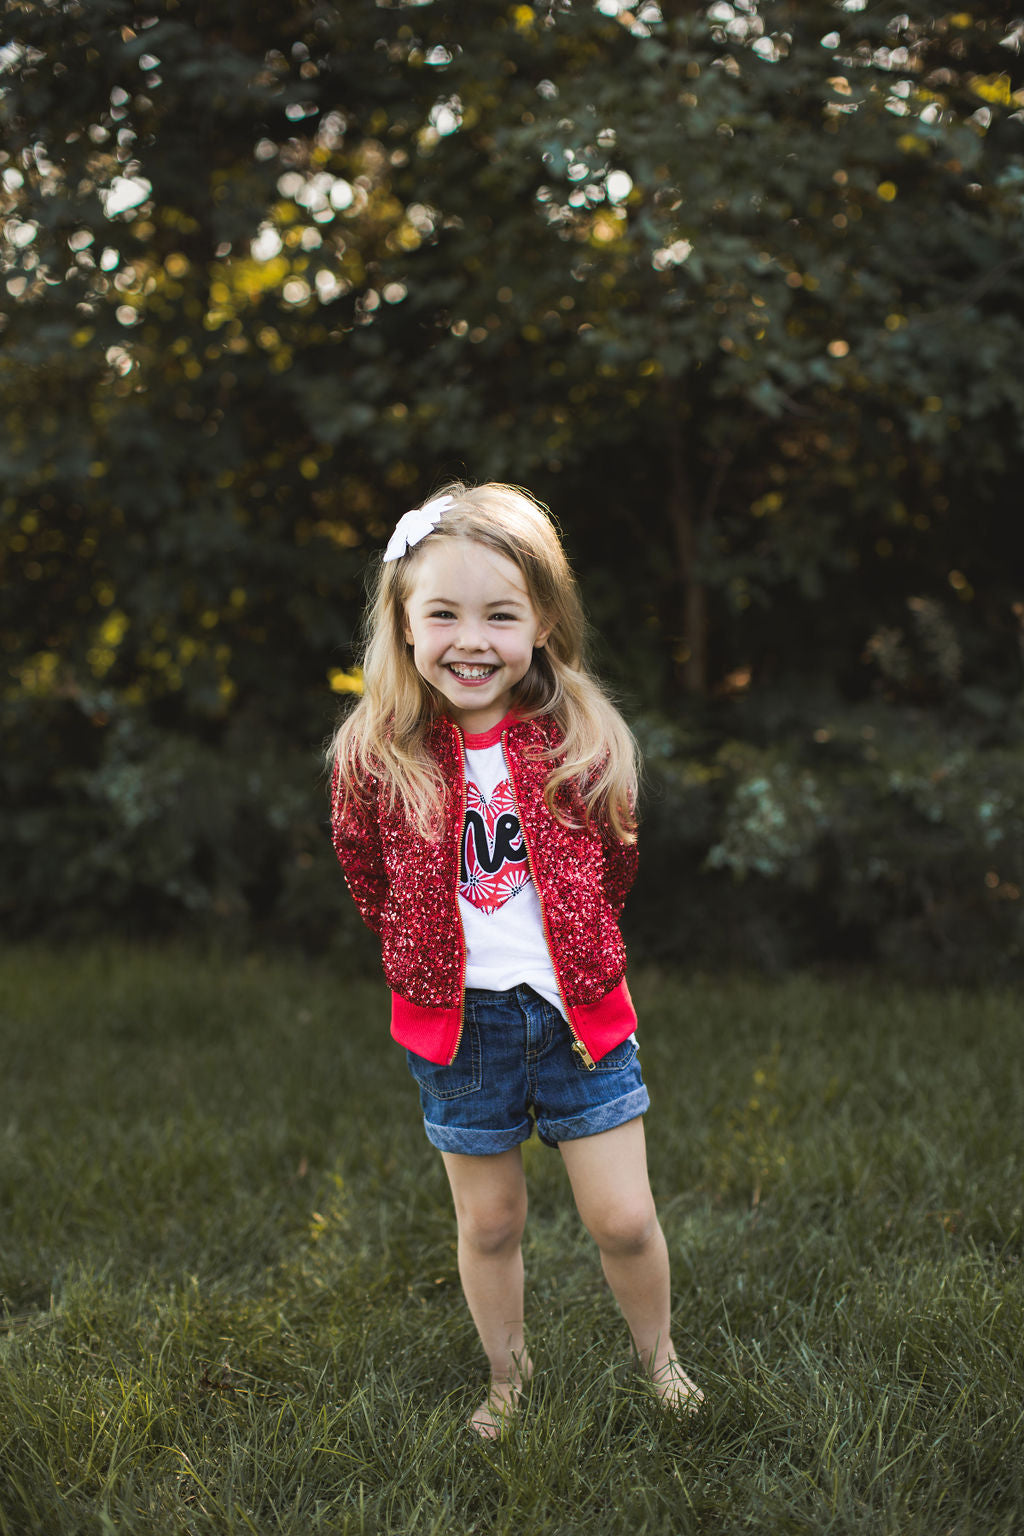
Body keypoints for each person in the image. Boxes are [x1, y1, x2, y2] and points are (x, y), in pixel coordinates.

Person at [328, 482, 703, 1437]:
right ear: (405, 626)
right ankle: (508, 1378)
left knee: (621, 1218)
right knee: (489, 1223)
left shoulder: (578, 739)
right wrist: (421, 952)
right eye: (442, 612)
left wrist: (575, 949)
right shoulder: (380, 754)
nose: (471, 639)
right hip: (460, 1030)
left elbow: (614, 863)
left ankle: (661, 1364)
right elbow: (364, 872)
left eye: (500, 614)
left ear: (541, 623)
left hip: (577, 1016)